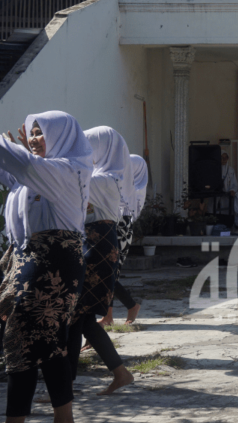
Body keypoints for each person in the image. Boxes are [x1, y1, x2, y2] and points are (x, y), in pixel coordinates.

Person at [0, 104, 89, 422]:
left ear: (62, 137)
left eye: (43, 133)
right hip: (35, 261)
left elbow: (20, 164)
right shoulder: (39, 174)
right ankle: (62, 416)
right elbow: (4, 167)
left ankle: (19, 418)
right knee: (46, 343)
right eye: (34, 132)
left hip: (52, 265)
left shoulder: (67, 171)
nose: (36, 138)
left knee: (22, 340)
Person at [70, 127, 133, 395]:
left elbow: (67, 180)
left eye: (88, 145)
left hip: (96, 246)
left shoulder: (105, 179)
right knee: (78, 318)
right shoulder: (103, 177)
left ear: (103, 149)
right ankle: (119, 373)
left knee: (76, 316)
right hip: (94, 243)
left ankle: (63, 389)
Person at [101, 154, 147, 326]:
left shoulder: (129, 192)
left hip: (120, 229)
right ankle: (122, 309)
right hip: (114, 226)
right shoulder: (121, 186)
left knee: (109, 275)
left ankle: (114, 313)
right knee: (109, 274)